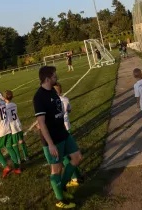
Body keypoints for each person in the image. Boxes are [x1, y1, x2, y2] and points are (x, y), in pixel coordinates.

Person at [34, 66, 82, 209]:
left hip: (63, 133)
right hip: (52, 139)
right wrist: (50, 144)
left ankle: (62, 187)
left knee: (77, 157)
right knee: (56, 169)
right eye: (54, 75)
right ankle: (60, 199)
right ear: (47, 78)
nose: (57, 77)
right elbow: (41, 123)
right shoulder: (39, 97)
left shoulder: (53, 92)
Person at [54, 83, 82, 187]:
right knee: (71, 153)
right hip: (67, 126)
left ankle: (74, 178)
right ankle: (77, 174)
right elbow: (69, 110)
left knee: (65, 156)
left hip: (61, 129)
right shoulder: (65, 99)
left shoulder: (53, 102)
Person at [5, 90, 29, 162]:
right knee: (21, 141)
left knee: (14, 144)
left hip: (12, 126)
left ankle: (18, 159)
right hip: (18, 124)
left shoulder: (5, 107)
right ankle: (26, 156)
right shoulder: (14, 104)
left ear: (4, 98)